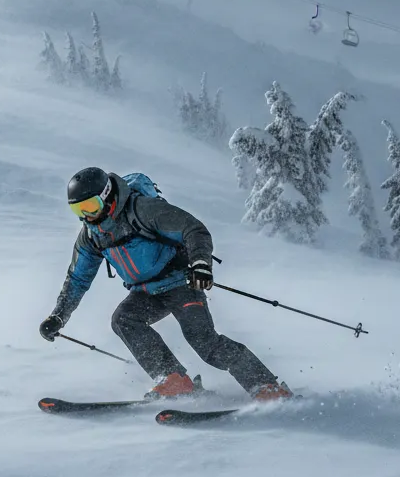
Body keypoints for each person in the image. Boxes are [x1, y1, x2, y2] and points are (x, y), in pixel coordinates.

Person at [40, 167, 292, 401]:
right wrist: (58, 317)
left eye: (90, 206)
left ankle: (266, 386)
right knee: (123, 320)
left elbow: (192, 229)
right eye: (78, 210)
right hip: (145, 292)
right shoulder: (91, 236)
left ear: (106, 197)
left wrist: (201, 264)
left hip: (180, 281)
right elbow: (77, 279)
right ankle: (173, 379)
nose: (86, 216)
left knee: (204, 341)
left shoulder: (141, 210)